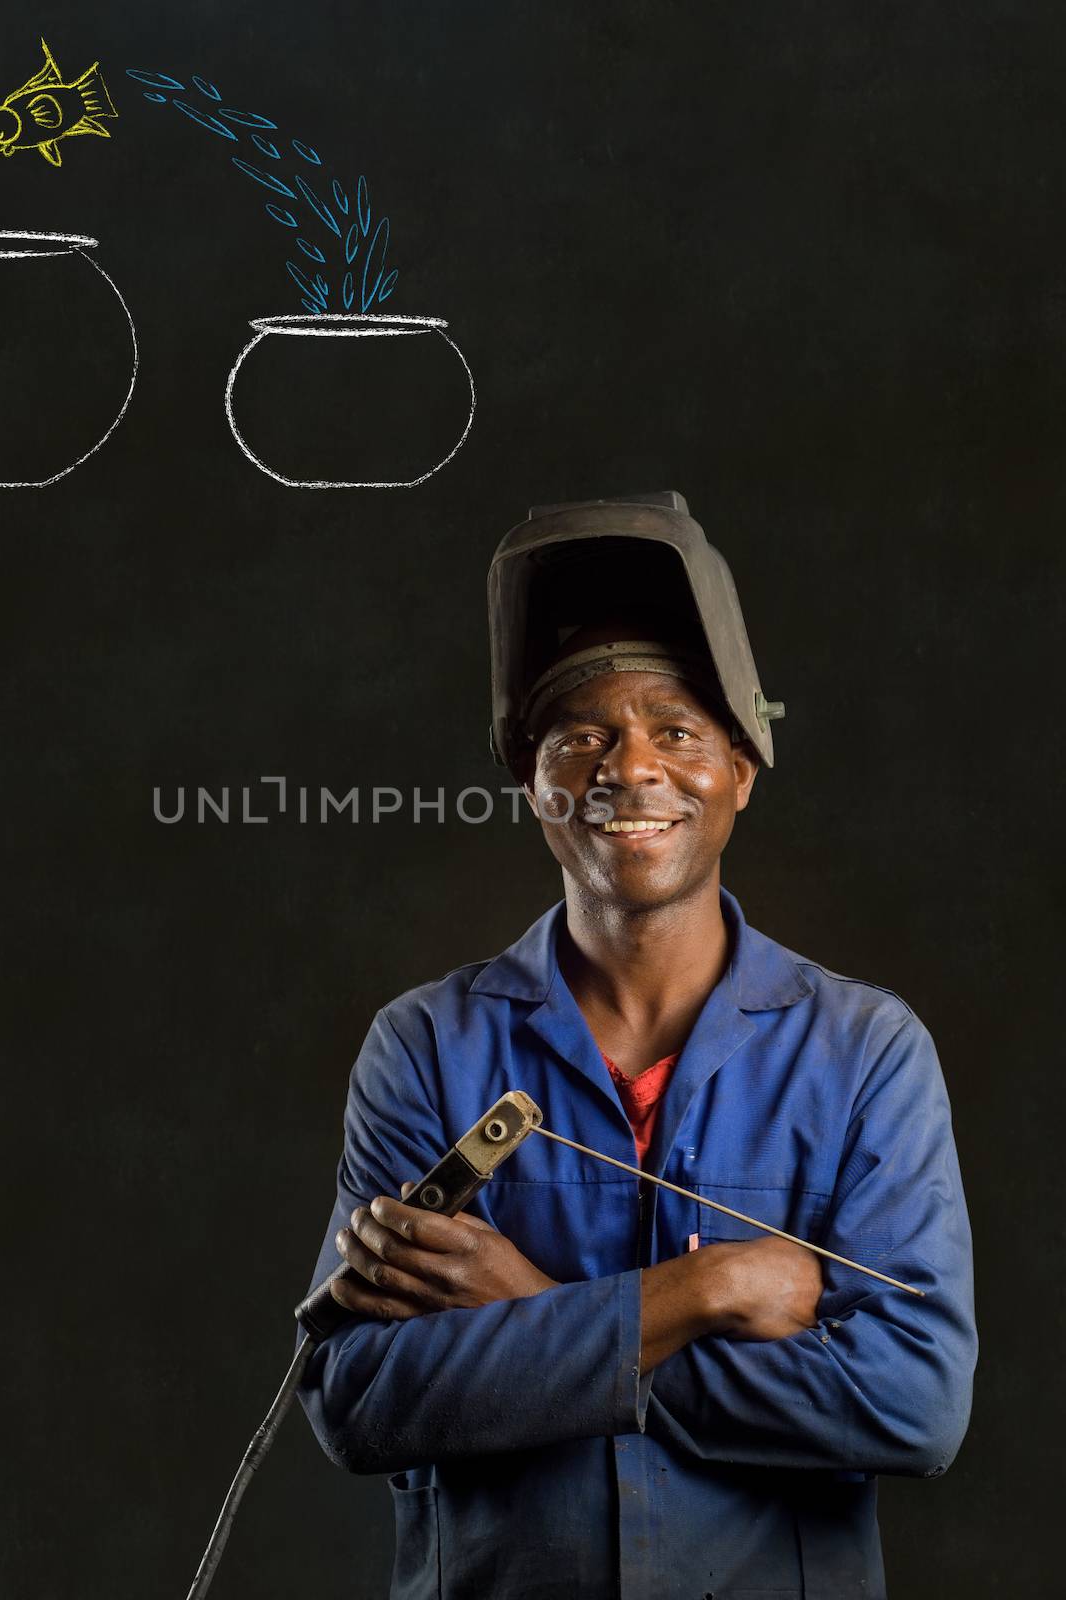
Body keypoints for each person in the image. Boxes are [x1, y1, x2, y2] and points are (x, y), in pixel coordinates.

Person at [295, 494, 976, 1600]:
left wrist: (526, 1308)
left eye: (676, 730)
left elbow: (911, 1400)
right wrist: (700, 1292)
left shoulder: (864, 1053)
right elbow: (361, 1394)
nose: (632, 767)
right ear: (534, 782)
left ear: (741, 769)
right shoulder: (426, 1046)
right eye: (582, 735)